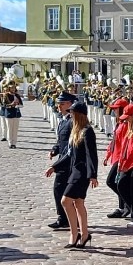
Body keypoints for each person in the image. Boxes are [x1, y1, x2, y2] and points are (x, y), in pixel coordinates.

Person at [47, 102, 98, 248]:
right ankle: (84, 234)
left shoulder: (87, 131)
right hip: (74, 171)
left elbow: (91, 155)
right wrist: (54, 167)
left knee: (65, 201)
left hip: (82, 174)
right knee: (78, 203)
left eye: (73, 112)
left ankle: (74, 234)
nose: (70, 115)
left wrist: (93, 175)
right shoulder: (76, 131)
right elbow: (69, 155)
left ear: (80, 114)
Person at [47, 92, 77, 230]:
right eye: (59, 103)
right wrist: (55, 150)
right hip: (63, 158)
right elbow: (61, 141)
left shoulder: (72, 121)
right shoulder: (64, 120)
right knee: (61, 191)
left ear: (70, 104)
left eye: (62, 103)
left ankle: (64, 218)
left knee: (61, 190)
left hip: (69, 162)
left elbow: (71, 147)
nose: (59, 106)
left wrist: (55, 166)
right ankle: (66, 217)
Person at [104, 98, 130, 219]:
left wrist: (122, 159)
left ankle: (129, 204)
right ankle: (122, 207)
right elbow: (114, 140)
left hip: (121, 157)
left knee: (111, 181)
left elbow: (126, 143)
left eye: (116, 109)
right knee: (116, 182)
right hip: (115, 156)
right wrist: (108, 154)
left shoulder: (126, 124)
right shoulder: (119, 122)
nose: (114, 112)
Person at [0, 80, 23, 149]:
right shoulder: (6, 95)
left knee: (15, 129)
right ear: (9, 88)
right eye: (11, 88)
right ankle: (10, 143)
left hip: (16, 114)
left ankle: (14, 143)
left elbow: (21, 105)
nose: (13, 89)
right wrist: (11, 105)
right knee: (10, 129)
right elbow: (5, 105)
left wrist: (17, 105)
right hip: (9, 113)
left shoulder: (17, 95)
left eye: (14, 88)